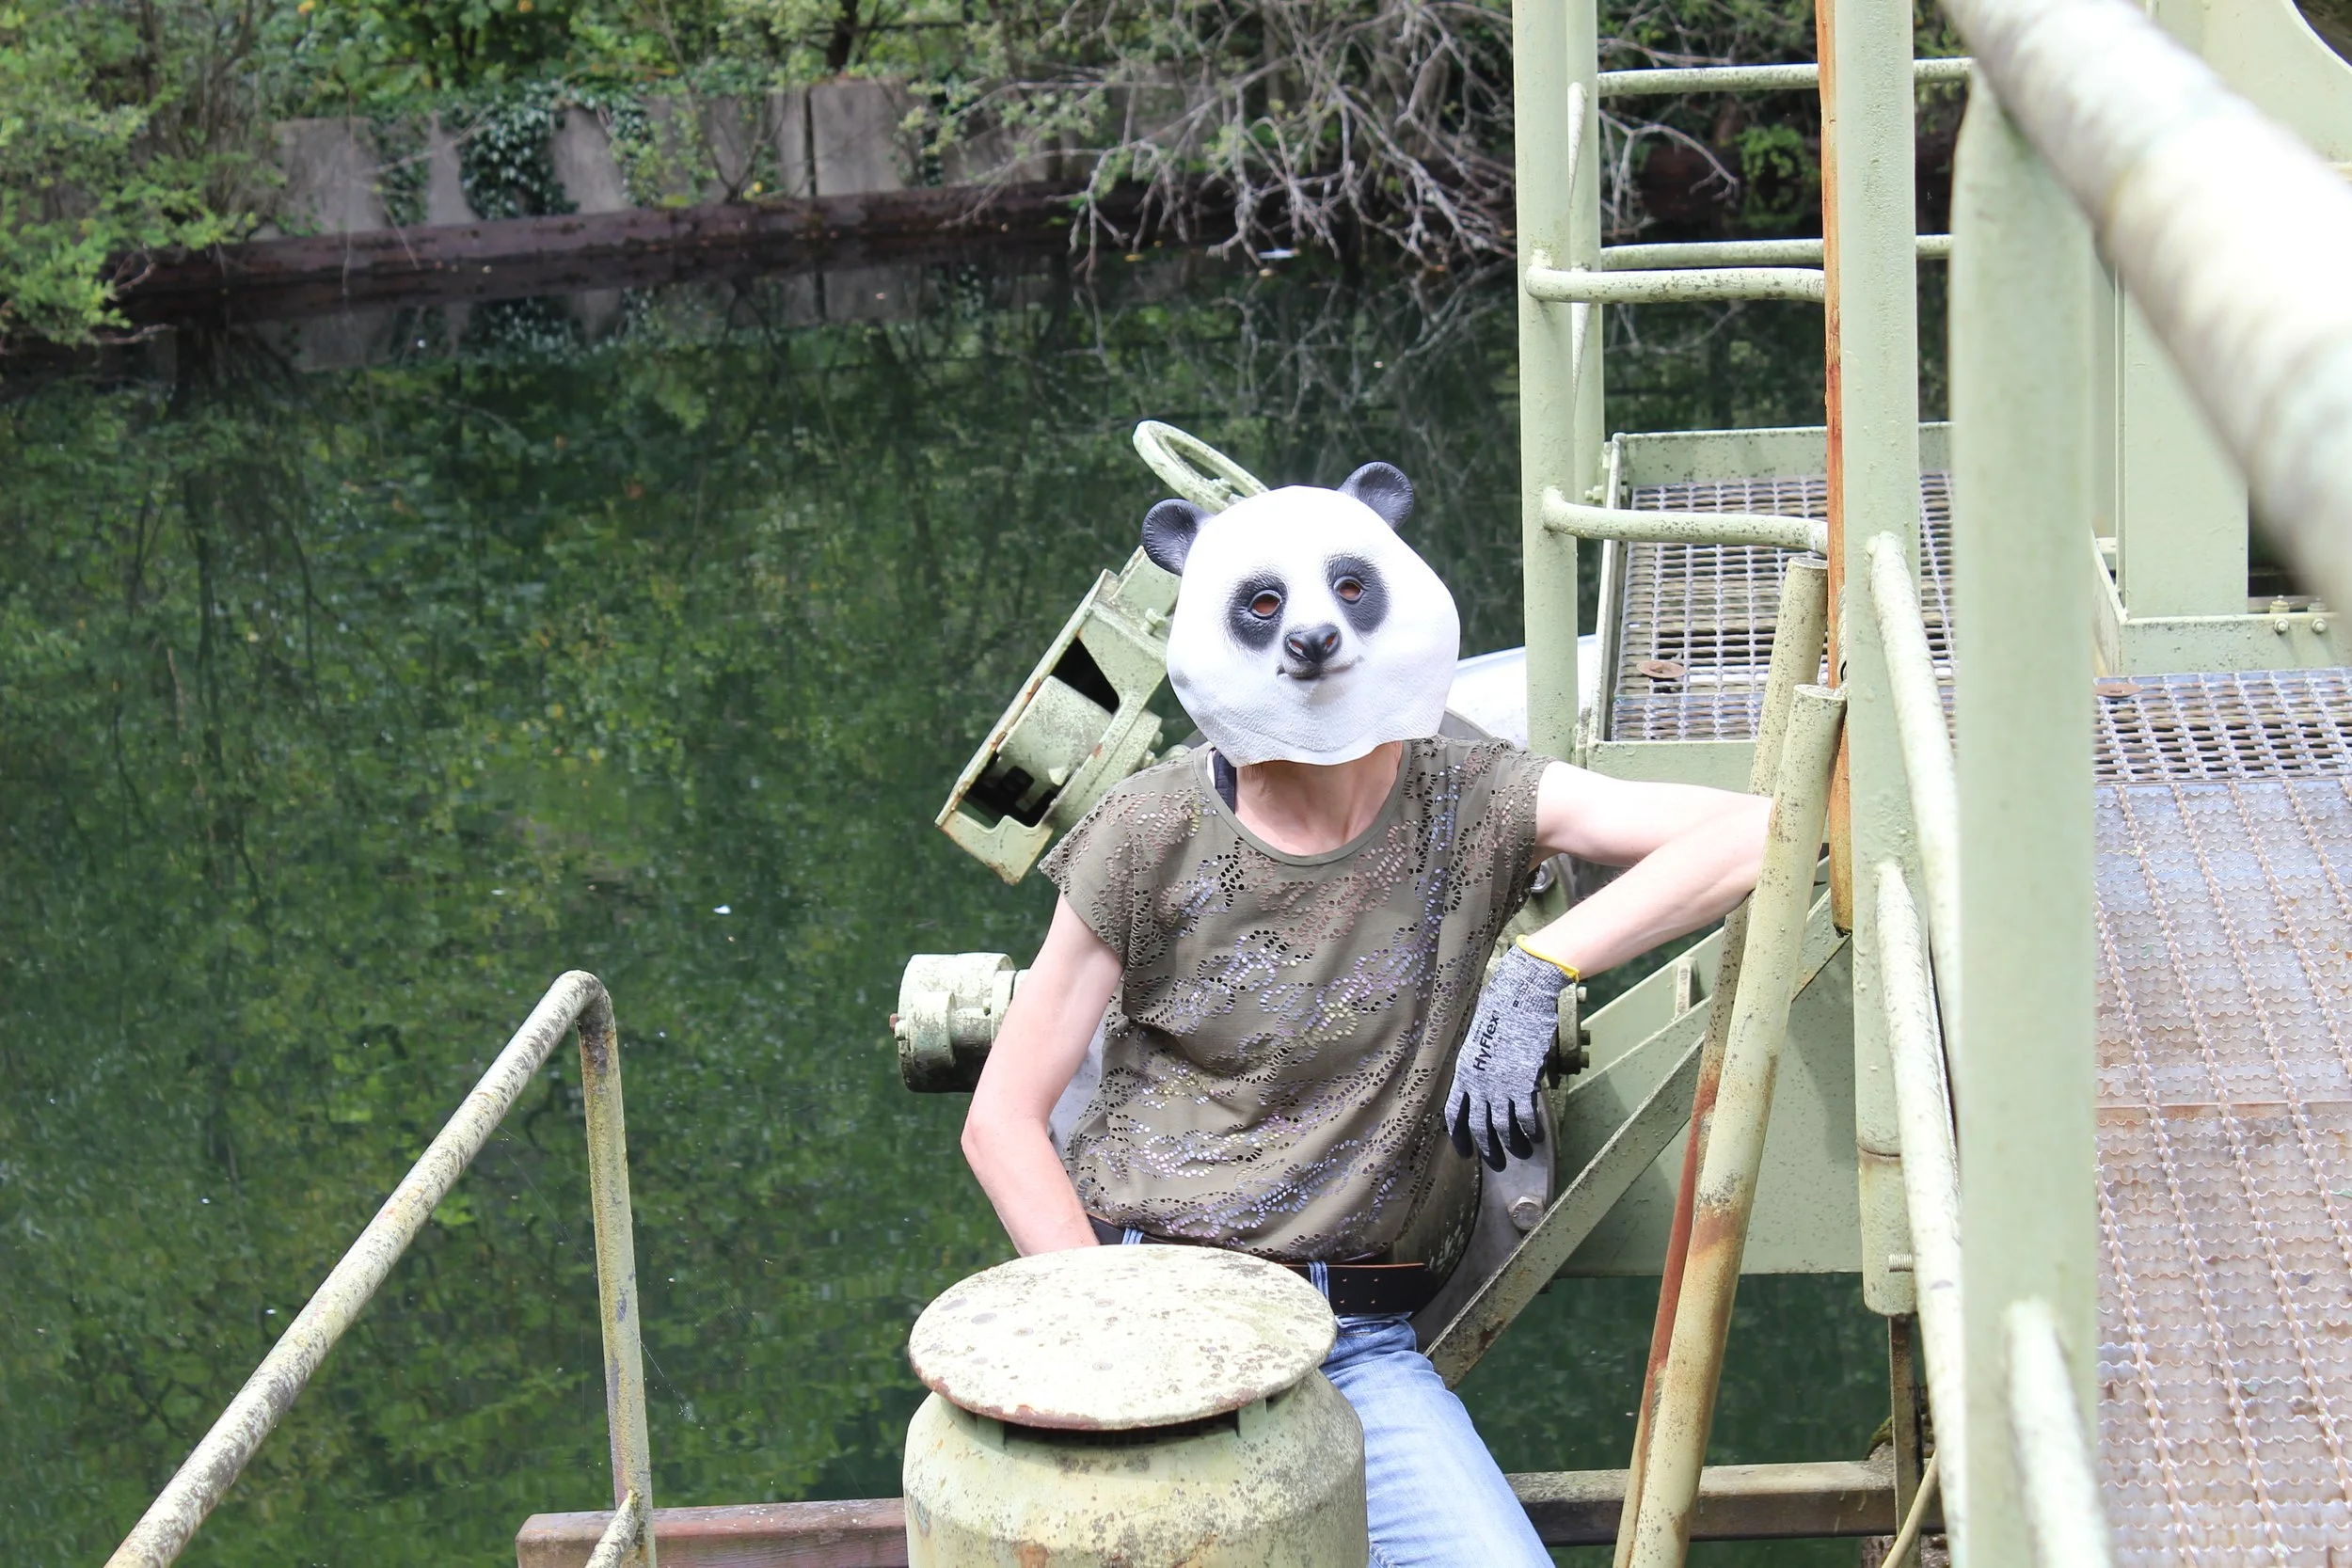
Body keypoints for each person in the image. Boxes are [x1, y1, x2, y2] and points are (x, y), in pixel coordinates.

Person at [960, 461, 1771, 1568]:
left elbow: (1764, 830)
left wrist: (1542, 964)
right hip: (1153, 1298)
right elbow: (1002, 1115)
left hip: (1353, 1342)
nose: (1308, 632)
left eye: (1346, 591)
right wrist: (1115, 1333)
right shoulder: (1145, 830)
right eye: (1262, 606)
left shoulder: (1473, 798)